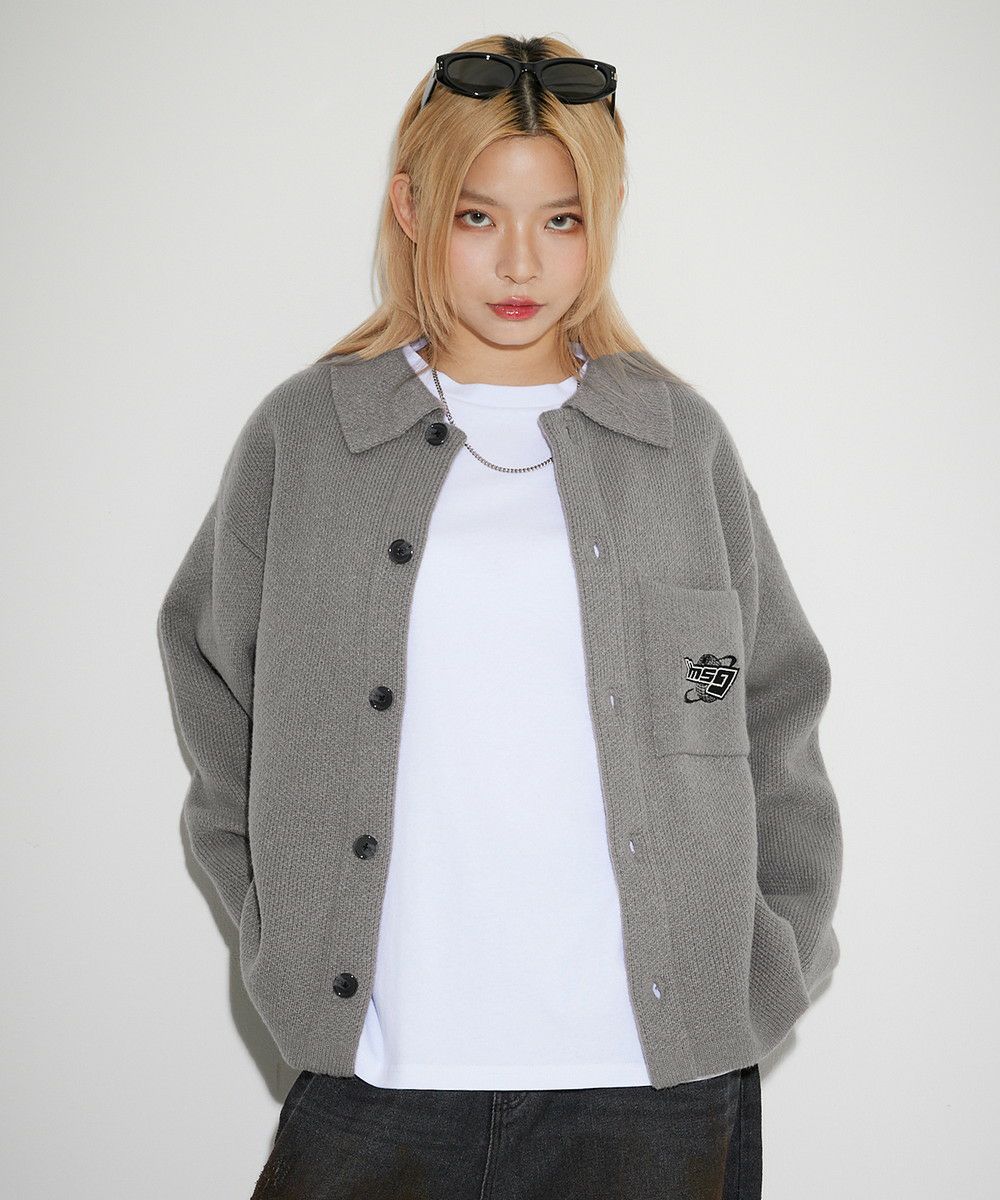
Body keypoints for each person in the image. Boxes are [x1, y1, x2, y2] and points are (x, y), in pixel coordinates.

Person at [156, 31, 843, 1200]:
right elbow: (218, 693)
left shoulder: (674, 444)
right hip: (382, 1075)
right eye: (479, 216)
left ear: (602, 220)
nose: (520, 260)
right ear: (411, 208)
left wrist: (767, 951)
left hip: (653, 1087)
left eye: (560, 219)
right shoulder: (311, 438)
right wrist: (283, 932)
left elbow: (762, 702)